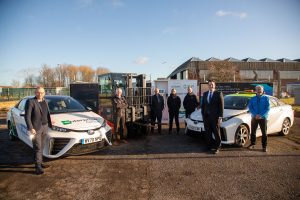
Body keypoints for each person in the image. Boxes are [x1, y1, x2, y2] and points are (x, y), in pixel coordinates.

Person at [25, 86, 52, 175]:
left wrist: (49, 122)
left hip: (45, 126)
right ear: (35, 93)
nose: (40, 94)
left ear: (44, 93)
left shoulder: (45, 101)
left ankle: (40, 163)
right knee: (38, 147)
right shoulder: (31, 101)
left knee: (42, 146)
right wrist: (31, 128)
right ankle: (37, 167)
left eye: (42, 92)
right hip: (36, 129)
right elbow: (27, 116)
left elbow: (46, 113)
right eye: (38, 92)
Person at [201, 80, 224, 154]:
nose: (211, 86)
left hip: (215, 117)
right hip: (206, 117)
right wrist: (203, 114)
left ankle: (218, 147)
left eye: (212, 84)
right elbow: (203, 106)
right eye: (209, 84)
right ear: (208, 85)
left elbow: (221, 106)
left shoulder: (218, 93)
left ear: (214, 85)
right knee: (208, 133)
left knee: (216, 132)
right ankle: (209, 146)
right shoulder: (205, 94)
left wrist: (220, 117)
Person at [247, 85, 270, 152]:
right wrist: (255, 114)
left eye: (260, 89)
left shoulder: (266, 98)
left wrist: (260, 115)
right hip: (254, 118)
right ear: (255, 90)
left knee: (264, 133)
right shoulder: (253, 98)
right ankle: (252, 144)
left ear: (262, 90)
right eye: (258, 89)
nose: (259, 90)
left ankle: (264, 146)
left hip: (263, 118)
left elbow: (267, 108)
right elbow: (250, 108)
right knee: (253, 132)